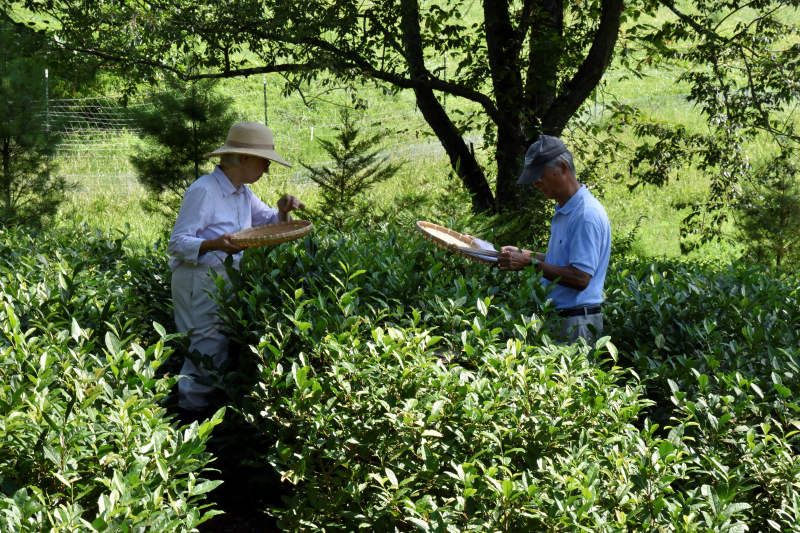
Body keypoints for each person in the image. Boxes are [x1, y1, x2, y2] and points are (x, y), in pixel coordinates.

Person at [168, 121, 304, 415]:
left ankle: (206, 431)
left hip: (222, 284)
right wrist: (214, 244)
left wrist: (282, 210)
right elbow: (177, 243)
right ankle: (189, 430)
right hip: (197, 283)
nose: (266, 169)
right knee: (201, 355)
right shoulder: (204, 190)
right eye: (264, 162)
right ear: (243, 158)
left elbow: (267, 223)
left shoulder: (241, 192)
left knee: (216, 353)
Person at [498, 135, 611, 344]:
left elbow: (580, 278)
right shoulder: (565, 210)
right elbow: (561, 261)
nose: (535, 183)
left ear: (562, 167)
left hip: (578, 324)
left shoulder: (585, 214)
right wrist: (523, 254)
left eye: (539, 175)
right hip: (564, 319)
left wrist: (529, 262)